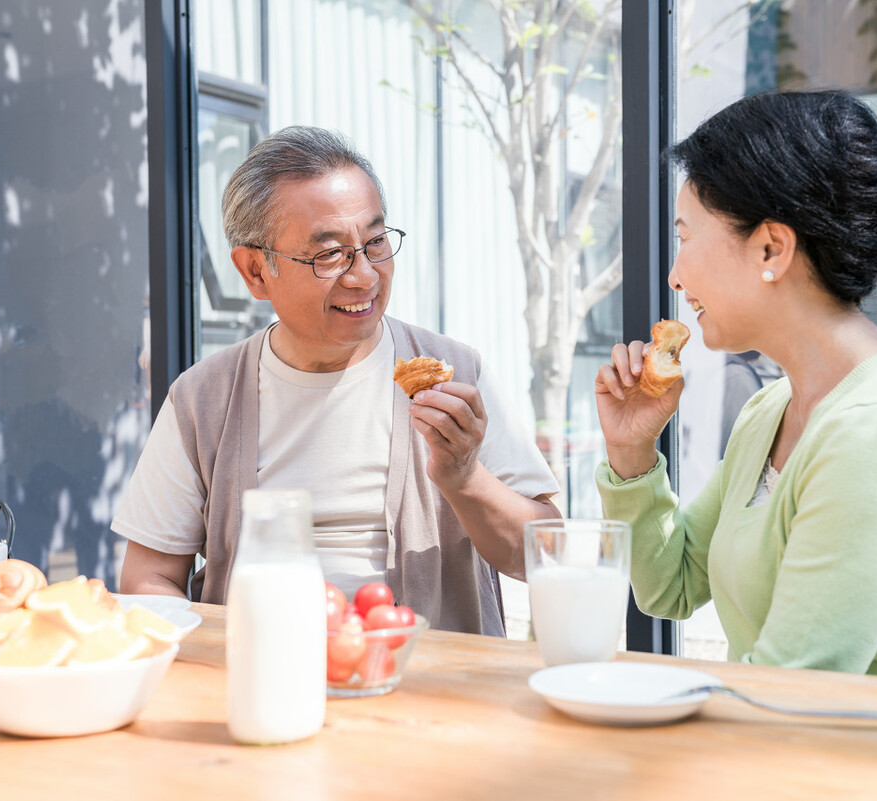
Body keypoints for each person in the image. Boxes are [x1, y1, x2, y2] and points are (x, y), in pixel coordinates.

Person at [594, 90, 877, 686]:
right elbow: (669, 586)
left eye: (685, 237)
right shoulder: (772, 409)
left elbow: (789, 691)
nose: (675, 277)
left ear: (771, 248)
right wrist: (631, 453)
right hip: (789, 735)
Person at [112, 126, 560, 636]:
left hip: (431, 674)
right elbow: (148, 576)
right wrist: (221, 653)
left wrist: (465, 477)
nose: (364, 276)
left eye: (375, 242)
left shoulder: (457, 373)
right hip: (260, 668)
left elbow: (546, 558)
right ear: (255, 271)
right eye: (328, 254)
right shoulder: (202, 399)